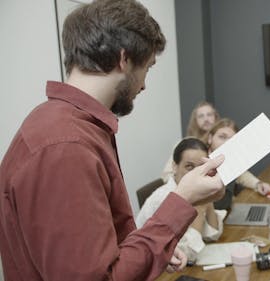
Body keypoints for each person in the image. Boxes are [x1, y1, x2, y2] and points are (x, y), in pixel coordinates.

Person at [0, 1, 225, 280]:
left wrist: (153, 246)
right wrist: (182, 200)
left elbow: (97, 252)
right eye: (147, 68)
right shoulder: (65, 148)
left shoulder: (68, 126)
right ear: (124, 59)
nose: (143, 85)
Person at [136, 138, 226, 261]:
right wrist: (199, 209)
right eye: (189, 166)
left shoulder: (195, 191)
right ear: (174, 166)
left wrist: (207, 200)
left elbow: (213, 235)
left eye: (201, 167)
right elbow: (185, 254)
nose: (195, 173)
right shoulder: (164, 199)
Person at [204, 118, 270, 209]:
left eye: (232, 140)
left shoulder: (228, 159)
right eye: (222, 137)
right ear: (210, 138)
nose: (226, 143)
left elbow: (240, 174)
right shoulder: (200, 158)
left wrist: (258, 184)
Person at [161, 101, 218, 181]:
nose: (206, 119)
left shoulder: (221, 143)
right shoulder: (185, 144)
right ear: (195, 120)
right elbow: (166, 174)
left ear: (215, 117)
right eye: (201, 116)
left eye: (209, 115)